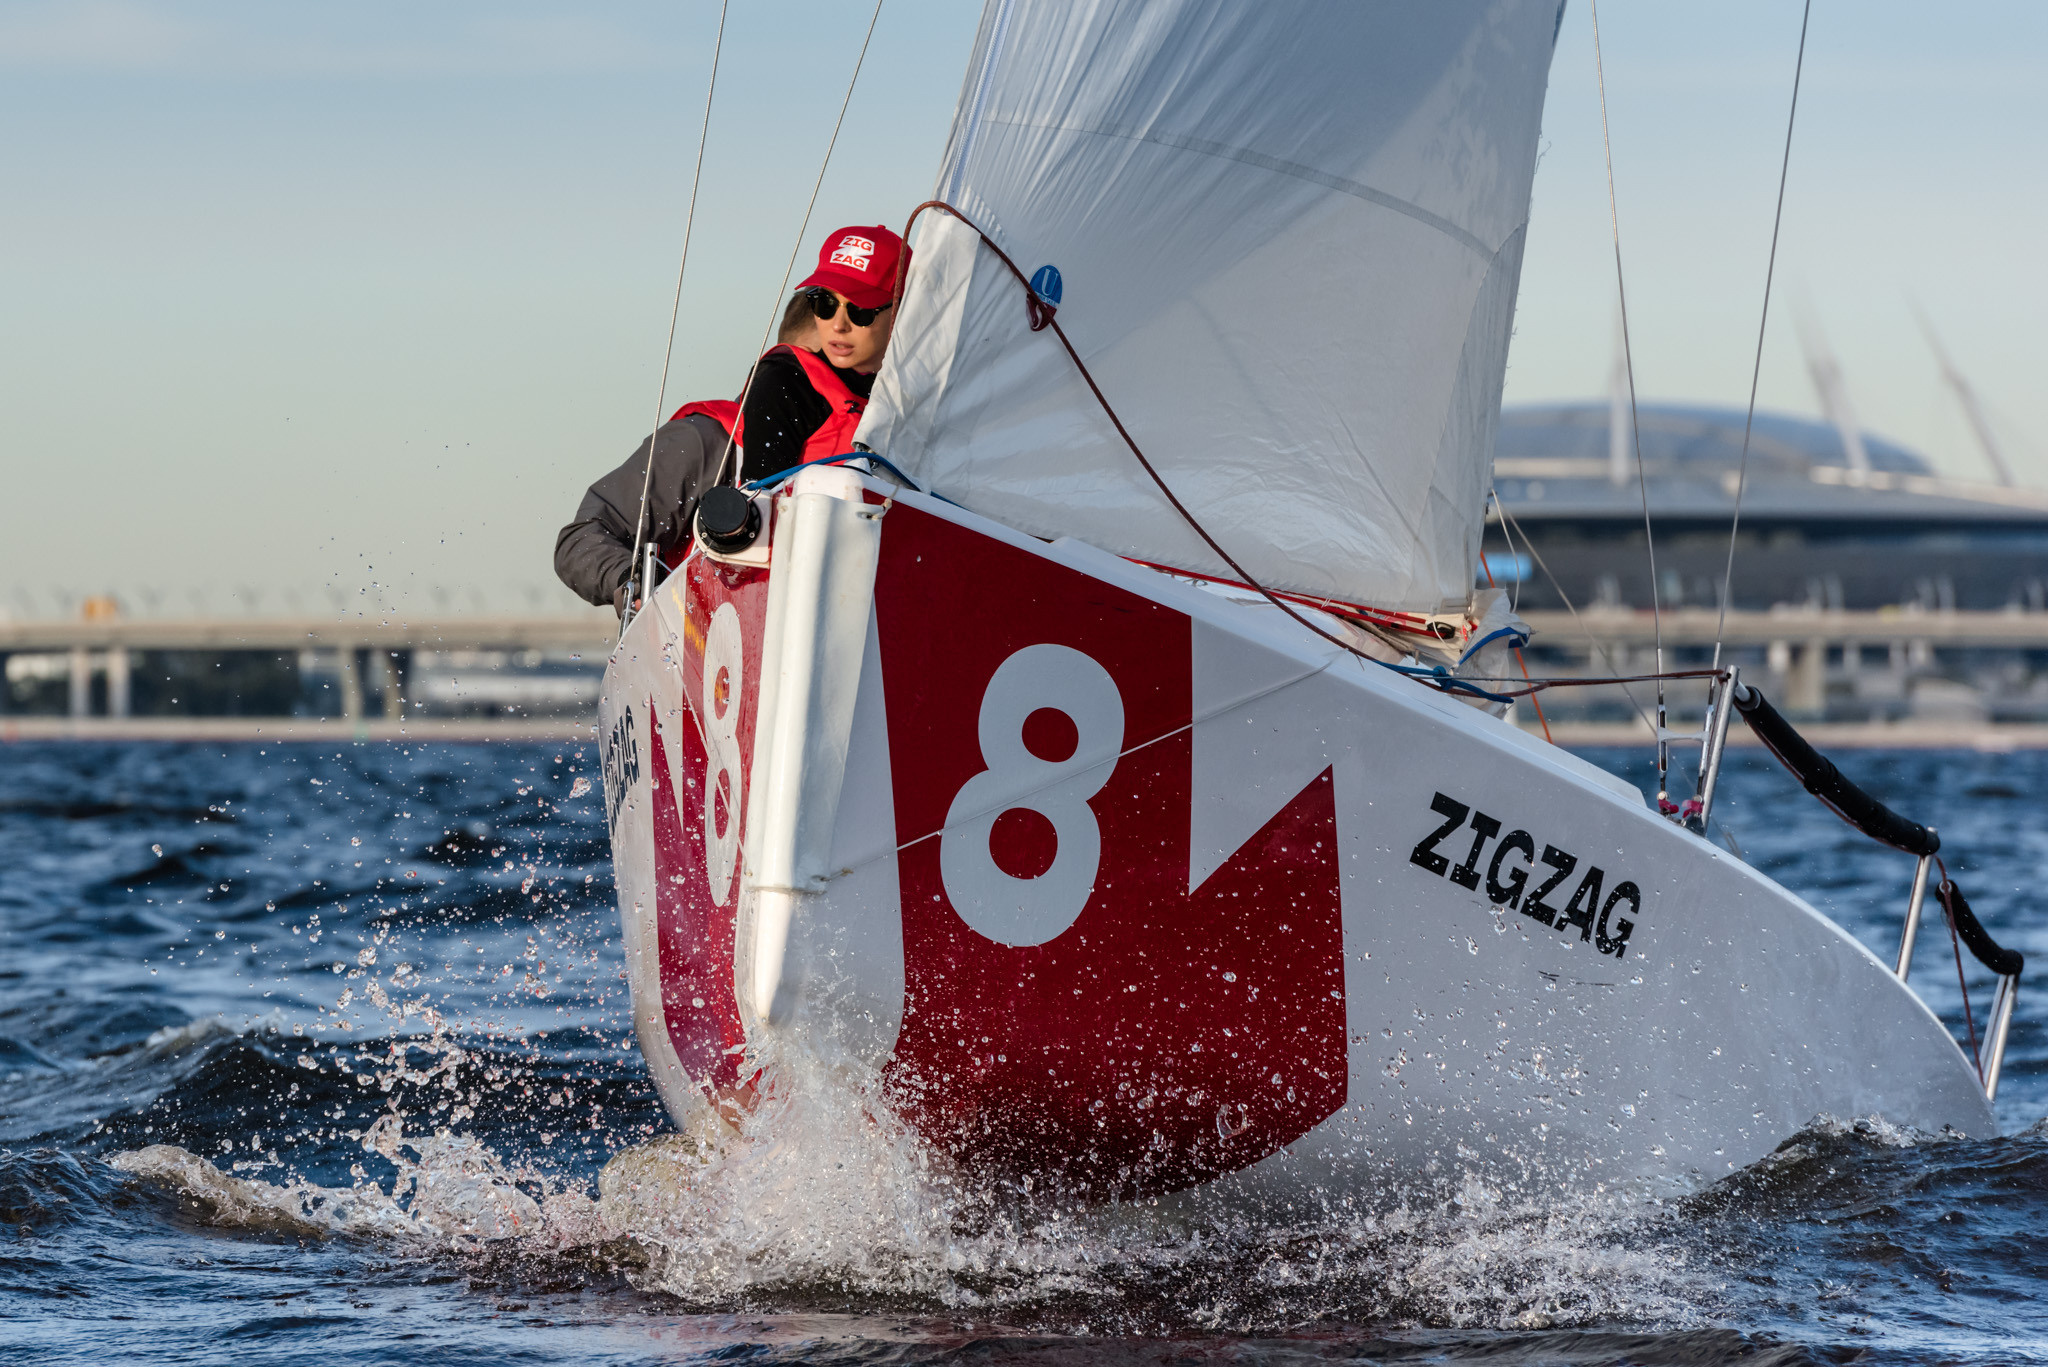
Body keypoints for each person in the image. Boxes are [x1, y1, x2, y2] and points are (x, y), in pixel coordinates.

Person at [552, 224, 906, 613]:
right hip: (703, 634)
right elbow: (582, 538)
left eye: (859, 312)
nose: (839, 327)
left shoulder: (897, 441)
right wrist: (635, 582)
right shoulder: (705, 442)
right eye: (825, 309)